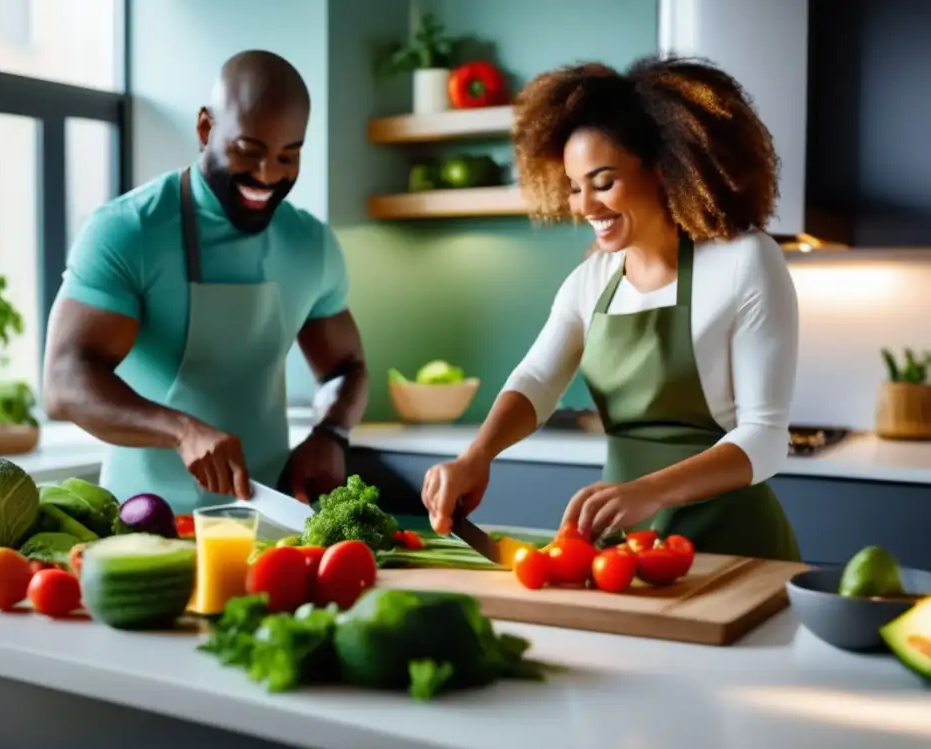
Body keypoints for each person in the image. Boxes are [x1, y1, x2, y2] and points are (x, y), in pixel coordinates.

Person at [421, 56, 801, 561]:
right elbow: (536, 379)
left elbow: (767, 439)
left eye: (602, 183)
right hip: (622, 549)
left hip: (735, 547)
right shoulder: (591, 281)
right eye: (575, 187)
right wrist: (476, 456)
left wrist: (649, 491)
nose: (583, 206)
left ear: (666, 168)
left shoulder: (743, 261)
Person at [42, 50, 368, 513]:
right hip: (143, 520)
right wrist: (182, 431)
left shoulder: (311, 245)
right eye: (247, 151)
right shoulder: (128, 231)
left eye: (287, 156)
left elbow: (345, 367)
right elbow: (64, 381)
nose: (266, 175)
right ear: (205, 128)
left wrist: (330, 433)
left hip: (269, 518)